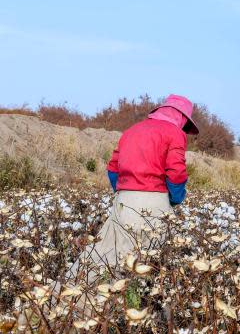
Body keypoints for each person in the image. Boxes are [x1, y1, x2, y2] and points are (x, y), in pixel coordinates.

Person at [71, 94, 197, 279]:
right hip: (153, 203)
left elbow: (113, 168)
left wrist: (124, 190)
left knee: (106, 253)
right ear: (182, 118)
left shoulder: (132, 130)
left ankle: (75, 293)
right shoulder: (174, 133)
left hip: (122, 202)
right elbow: (176, 173)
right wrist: (176, 198)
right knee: (142, 261)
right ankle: (129, 302)